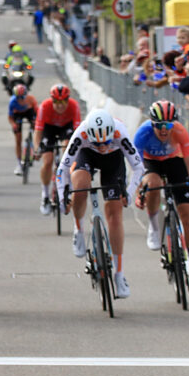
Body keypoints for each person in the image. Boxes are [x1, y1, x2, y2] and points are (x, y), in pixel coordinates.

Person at [55, 108, 144, 299]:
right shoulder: (81, 134)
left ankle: (119, 275)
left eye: (106, 142)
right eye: (98, 142)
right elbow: (62, 168)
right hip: (87, 155)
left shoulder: (120, 132)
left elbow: (138, 167)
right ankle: (78, 229)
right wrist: (63, 196)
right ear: (90, 135)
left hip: (114, 161)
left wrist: (128, 193)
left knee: (114, 214)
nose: (102, 146)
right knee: (80, 187)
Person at [133, 100, 189, 288]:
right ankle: (154, 227)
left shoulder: (180, 131)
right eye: (159, 126)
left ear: (175, 123)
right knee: (154, 184)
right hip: (151, 163)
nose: (164, 130)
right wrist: (141, 191)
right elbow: (137, 168)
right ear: (152, 123)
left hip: (175, 162)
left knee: (187, 216)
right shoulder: (142, 134)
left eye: (168, 125)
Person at [34, 84, 81, 215]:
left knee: (68, 146)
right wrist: (37, 149)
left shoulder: (74, 106)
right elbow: (38, 132)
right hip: (49, 128)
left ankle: (67, 184)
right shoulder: (44, 106)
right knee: (48, 161)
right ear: (52, 100)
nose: (60, 105)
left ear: (68, 100)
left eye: (63, 101)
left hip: (66, 127)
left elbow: (78, 134)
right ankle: (45, 195)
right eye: (56, 102)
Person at [7, 83, 38, 175]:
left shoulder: (31, 99)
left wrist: (35, 123)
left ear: (26, 95)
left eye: (22, 98)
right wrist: (13, 124)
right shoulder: (12, 102)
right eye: (18, 98)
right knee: (18, 138)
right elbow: (10, 117)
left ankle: (33, 146)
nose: (20, 100)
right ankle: (19, 163)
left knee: (35, 126)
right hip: (18, 115)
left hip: (29, 112)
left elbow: (38, 113)